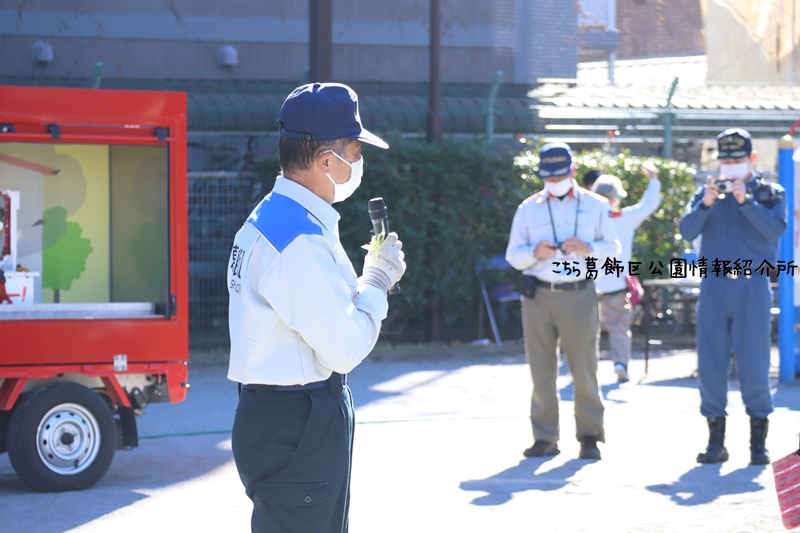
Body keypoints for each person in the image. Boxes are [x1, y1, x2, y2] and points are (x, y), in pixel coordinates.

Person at [226, 82, 406, 532]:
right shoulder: (299, 239)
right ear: (327, 161)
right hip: (298, 417)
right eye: (355, 152)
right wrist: (377, 282)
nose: (360, 163)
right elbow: (345, 348)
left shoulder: (274, 216)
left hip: (280, 414)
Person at [506, 142, 621, 460]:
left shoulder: (596, 205)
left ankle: (590, 436)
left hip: (579, 293)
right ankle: (545, 438)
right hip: (538, 296)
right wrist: (534, 253)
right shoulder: (528, 208)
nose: (554, 182)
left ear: (572, 171)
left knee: (584, 367)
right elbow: (513, 255)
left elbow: (613, 249)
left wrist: (588, 247)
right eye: (549, 177)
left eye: (559, 175)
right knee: (541, 369)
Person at [679, 128, 786, 465]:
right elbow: (687, 230)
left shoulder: (770, 193)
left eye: (736, 160)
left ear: (752, 158)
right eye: (725, 160)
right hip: (714, 285)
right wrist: (706, 204)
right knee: (711, 364)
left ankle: (758, 444)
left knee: (754, 362)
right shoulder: (706, 193)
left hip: (752, 286)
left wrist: (745, 202)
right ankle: (716, 442)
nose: (730, 166)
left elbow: (775, 231)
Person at [591, 167, 661, 382]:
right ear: (613, 199)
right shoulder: (624, 218)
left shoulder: (584, 219)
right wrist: (654, 181)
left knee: (587, 330)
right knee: (619, 328)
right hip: (617, 285)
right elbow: (648, 205)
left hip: (588, 284)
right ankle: (620, 363)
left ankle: (587, 368)